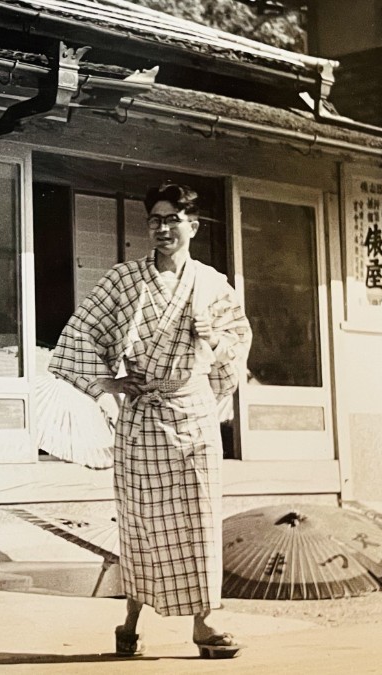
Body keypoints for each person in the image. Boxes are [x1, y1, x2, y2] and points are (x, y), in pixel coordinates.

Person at [49, 183, 252, 659]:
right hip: (141, 417)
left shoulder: (212, 283)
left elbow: (237, 343)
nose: (162, 229)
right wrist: (109, 384)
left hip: (193, 411)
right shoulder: (124, 280)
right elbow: (79, 337)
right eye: (155, 221)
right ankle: (131, 620)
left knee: (198, 518)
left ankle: (205, 623)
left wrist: (214, 341)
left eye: (172, 220)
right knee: (141, 522)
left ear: (193, 226)